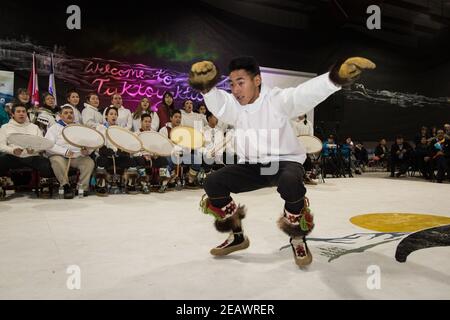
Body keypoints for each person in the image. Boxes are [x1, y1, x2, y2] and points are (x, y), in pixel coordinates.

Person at [188, 56, 375, 266]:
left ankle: (297, 238)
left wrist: (334, 79)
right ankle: (237, 236)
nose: (236, 89)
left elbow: (303, 95)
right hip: (252, 166)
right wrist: (206, 88)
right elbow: (219, 104)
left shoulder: (276, 100)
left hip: (284, 162)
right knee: (213, 182)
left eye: (241, 82)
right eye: (232, 84)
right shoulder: (235, 106)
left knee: (290, 183)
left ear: (257, 80)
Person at [0, 104, 54, 199]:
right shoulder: (5, 127)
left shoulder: (34, 127)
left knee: (45, 162)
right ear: (12, 114)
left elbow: (42, 144)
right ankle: (1, 186)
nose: (21, 114)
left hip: (32, 156)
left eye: (23, 111)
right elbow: (1, 145)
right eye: (18, 112)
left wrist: (34, 150)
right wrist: (12, 150)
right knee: (1, 160)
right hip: (13, 157)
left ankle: (45, 187)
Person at [45, 106, 95, 199]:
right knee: (57, 162)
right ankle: (65, 186)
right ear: (60, 115)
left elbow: (88, 143)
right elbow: (48, 145)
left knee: (89, 162)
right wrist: (65, 151)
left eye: (71, 113)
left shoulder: (79, 128)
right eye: (66, 113)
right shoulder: (54, 128)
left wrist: (87, 151)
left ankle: (81, 187)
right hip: (59, 155)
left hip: (76, 155)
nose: (69, 115)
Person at [95, 107, 138, 195]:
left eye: (115, 114)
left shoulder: (120, 129)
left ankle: (130, 185)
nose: (113, 116)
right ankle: (101, 185)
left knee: (132, 162)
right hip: (105, 156)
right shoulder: (101, 128)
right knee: (101, 161)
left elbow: (124, 144)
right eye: (111, 114)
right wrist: (104, 149)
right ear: (106, 116)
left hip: (117, 156)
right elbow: (97, 143)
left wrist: (122, 150)